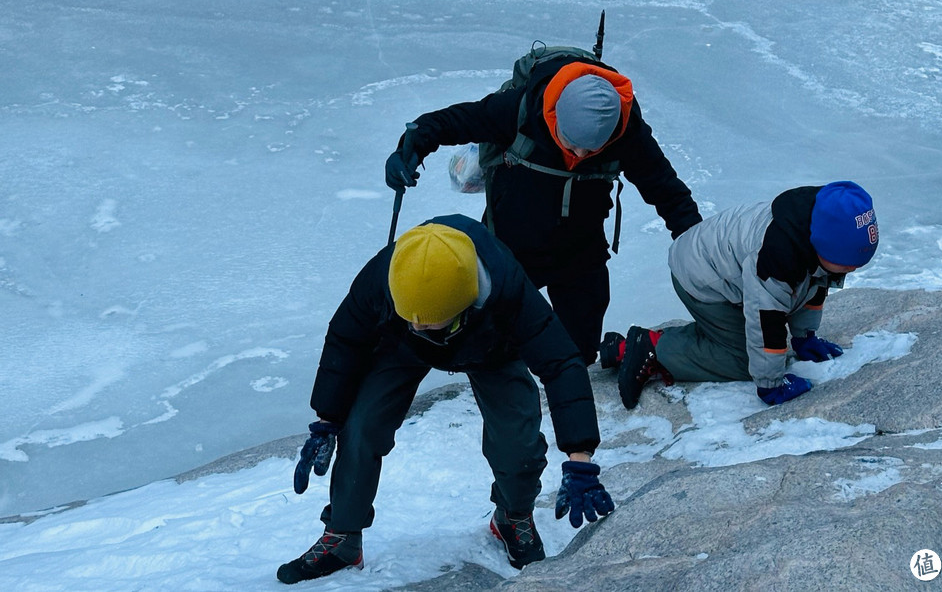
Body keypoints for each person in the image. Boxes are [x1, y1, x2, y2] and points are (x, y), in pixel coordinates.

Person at [277, 215, 614, 584]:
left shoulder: (507, 289)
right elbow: (346, 339)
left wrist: (580, 457)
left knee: (517, 439)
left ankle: (512, 516)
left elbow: (561, 362)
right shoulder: (384, 279)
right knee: (361, 427)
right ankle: (341, 538)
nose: (418, 326)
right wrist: (326, 419)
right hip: (401, 349)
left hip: (490, 348)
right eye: (413, 318)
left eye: (428, 323)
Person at [384, 49, 702, 365]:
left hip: (581, 251)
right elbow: (452, 122)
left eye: (591, 149)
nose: (577, 153)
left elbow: (666, 190)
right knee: (496, 351)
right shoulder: (521, 109)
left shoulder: (626, 132)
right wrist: (409, 149)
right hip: (511, 247)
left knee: (577, 354)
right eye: (569, 140)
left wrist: (699, 248)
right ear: (554, 117)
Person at [602, 181, 879, 409]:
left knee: (767, 337)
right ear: (821, 245)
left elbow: (812, 285)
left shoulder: (819, 221)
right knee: (745, 360)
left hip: (723, 268)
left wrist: (804, 337)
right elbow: (765, 321)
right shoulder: (777, 256)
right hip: (700, 279)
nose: (851, 270)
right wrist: (770, 382)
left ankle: (625, 349)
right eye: (844, 264)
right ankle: (649, 348)